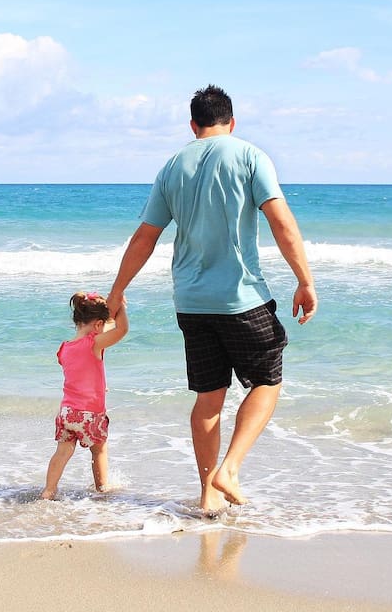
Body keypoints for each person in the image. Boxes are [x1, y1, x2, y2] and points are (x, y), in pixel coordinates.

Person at [107, 84, 316, 515]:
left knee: (208, 397)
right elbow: (280, 221)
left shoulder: (172, 166)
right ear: (232, 122)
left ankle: (208, 495)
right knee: (267, 381)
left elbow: (146, 236)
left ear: (193, 125)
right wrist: (304, 280)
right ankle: (230, 469)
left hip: (191, 301)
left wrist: (118, 289)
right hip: (240, 298)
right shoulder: (249, 156)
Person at [40, 291, 129, 500]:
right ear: (98, 325)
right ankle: (102, 488)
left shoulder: (64, 349)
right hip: (90, 414)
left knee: (62, 452)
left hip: (67, 413)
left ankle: (48, 491)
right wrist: (120, 307)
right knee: (99, 451)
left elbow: (80, 372)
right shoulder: (94, 344)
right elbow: (122, 329)